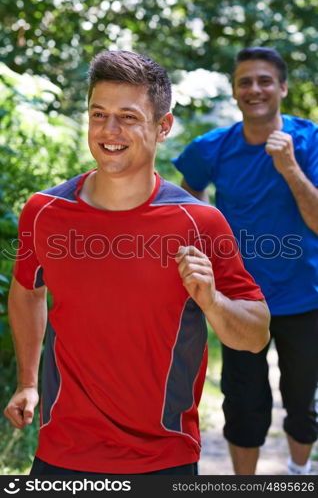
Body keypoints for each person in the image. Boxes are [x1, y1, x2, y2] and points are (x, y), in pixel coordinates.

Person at [4, 50, 269, 476]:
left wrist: (213, 301)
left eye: (128, 117)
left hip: (163, 459)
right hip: (61, 453)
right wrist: (29, 383)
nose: (110, 130)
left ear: (163, 126)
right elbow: (28, 289)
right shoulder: (44, 211)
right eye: (98, 113)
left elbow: (256, 335)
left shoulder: (199, 221)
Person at [172, 46, 318, 476]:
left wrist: (289, 166)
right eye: (245, 82)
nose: (254, 89)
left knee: (302, 401)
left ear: (282, 88)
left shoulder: (309, 141)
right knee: (243, 404)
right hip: (237, 298)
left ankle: (297, 474)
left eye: (264, 80)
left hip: (305, 295)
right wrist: (206, 256)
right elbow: (184, 204)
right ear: (235, 92)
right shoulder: (210, 148)